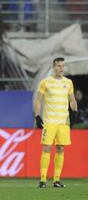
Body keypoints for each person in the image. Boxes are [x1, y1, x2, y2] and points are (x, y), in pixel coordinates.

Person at [34, 57, 78, 188]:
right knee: (46, 148)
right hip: (49, 122)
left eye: (63, 66)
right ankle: (42, 180)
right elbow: (38, 100)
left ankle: (56, 180)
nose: (61, 68)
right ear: (53, 67)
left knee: (60, 148)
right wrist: (37, 116)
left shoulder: (68, 83)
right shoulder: (45, 82)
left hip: (63, 122)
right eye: (58, 66)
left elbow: (72, 99)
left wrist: (74, 111)